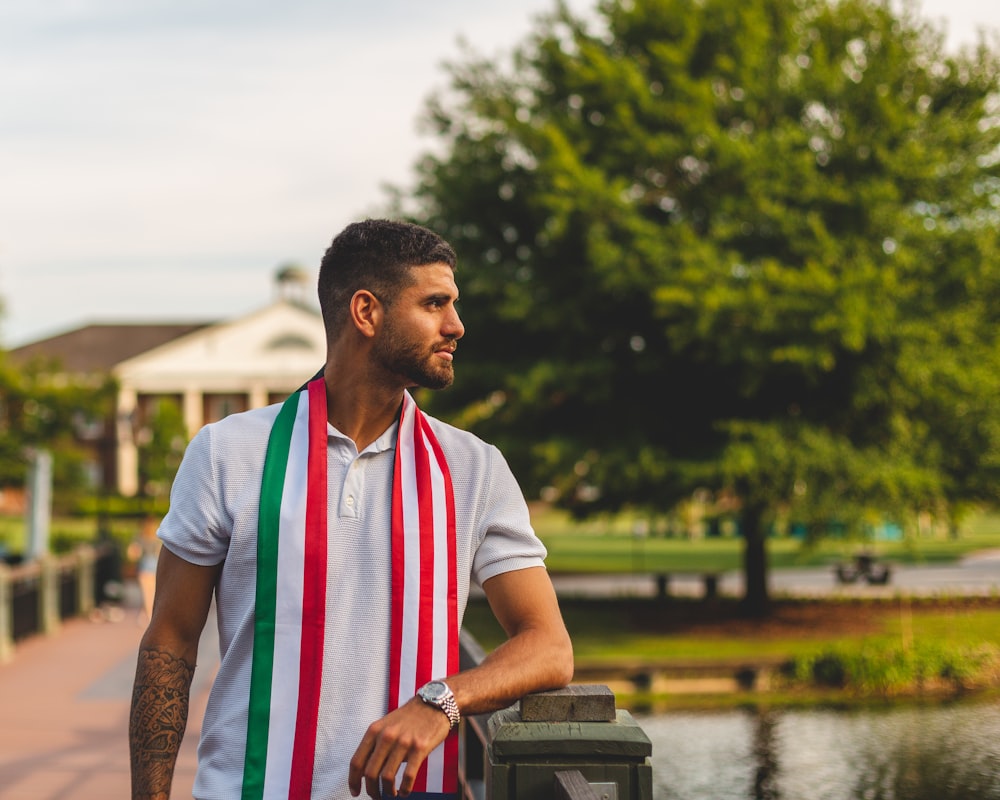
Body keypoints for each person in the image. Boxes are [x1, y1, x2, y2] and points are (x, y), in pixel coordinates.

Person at [129, 219, 574, 800]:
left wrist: (441, 702)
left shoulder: (474, 468)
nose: (456, 326)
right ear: (366, 313)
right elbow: (169, 640)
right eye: (435, 304)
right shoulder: (227, 453)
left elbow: (549, 645)